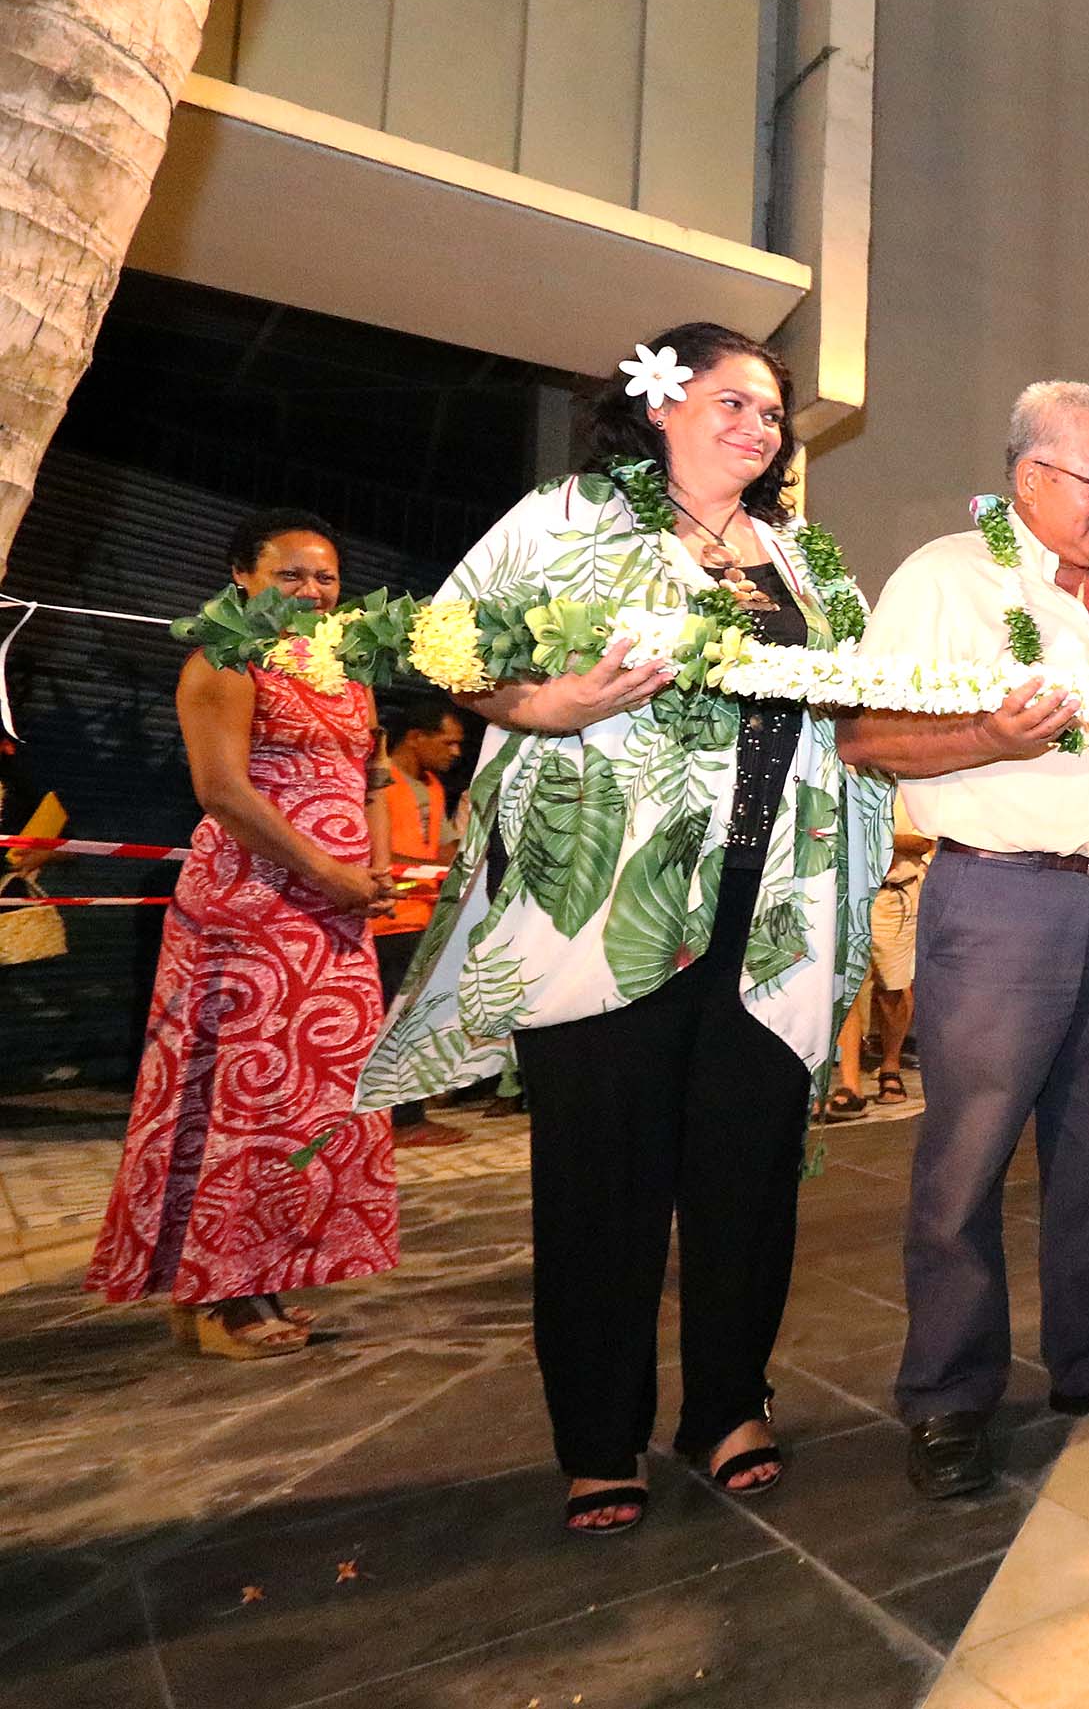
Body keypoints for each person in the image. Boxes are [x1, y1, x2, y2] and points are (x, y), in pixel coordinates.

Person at [355, 324, 892, 1534]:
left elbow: (855, 723)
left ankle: (728, 1404)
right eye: (737, 402)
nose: (761, 426)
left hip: (770, 916)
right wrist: (546, 702)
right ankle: (599, 1438)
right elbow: (450, 640)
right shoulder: (572, 519)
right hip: (607, 910)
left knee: (747, 1178)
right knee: (605, 1184)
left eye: (774, 412)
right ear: (660, 400)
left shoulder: (801, 560)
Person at [839, 380, 1089, 1496]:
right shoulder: (946, 578)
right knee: (966, 1158)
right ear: (1029, 479)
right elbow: (864, 733)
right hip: (1005, 902)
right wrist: (987, 734)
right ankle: (951, 1396)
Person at [86, 510, 400, 1359]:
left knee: (309, 1106)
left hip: (333, 913)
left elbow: (370, 773)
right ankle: (218, 1297)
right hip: (249, 909)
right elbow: (222, 791)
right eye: (290, 575)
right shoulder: (220, 662)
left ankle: (263, 1273)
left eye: (326, 577)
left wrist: (375, 866)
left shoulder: (346, 671)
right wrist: (324, 872)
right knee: (242, 1101)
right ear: (242, 579)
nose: (312, 591)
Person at [373, 695, 472, 1146]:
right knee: (395, 1022)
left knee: (414, 1020)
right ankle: (401, 1121)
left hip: (423, 919)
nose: (455, 753)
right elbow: (373, 853)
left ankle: (408, 1115)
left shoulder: (431, 786)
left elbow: (445, 851)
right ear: (415, 737)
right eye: (448, 742)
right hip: (384, 922)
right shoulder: (375, 781)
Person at [830, 800, 930, 1117]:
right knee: (847, 984)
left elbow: (922, 841)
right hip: (846, 890)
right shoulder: (847, 774)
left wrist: (867, 832)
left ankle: (890, 1065)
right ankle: (849, 1083)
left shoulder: (911, 779)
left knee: (893, 987)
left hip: (895, 893)